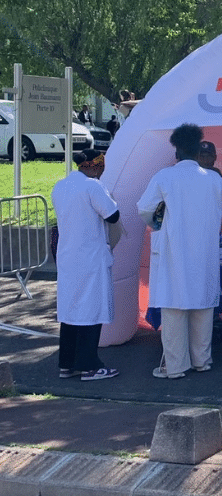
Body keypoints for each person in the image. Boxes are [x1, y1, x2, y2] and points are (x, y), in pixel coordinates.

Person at [138, 124, 222, 379]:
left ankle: (176, 366)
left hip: (173, 251)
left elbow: (145, 209)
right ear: (197, 151)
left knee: (174, 309)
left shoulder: (164, 177)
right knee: (203, 307)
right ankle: (202, 360)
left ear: (177, 152)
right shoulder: (214, 179)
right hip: (204, 253)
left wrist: (160, 222)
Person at [51, 150, 121, 381]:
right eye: (101, 168)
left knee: (70, 312)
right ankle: (90, 365)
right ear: (94, 166)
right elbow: (112, 215)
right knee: (91, 311)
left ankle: (67, 363)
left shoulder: (60, 186)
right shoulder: (93, 187)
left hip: (68, 257)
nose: (102, 173)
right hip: (91, 258)